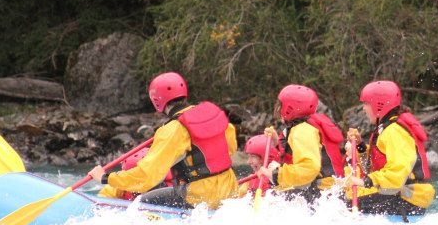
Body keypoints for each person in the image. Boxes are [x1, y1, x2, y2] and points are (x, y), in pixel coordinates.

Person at [89, 72, 239, 209]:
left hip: (201, 197)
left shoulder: (173, 129)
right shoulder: (212, 114)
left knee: (141, 203)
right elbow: (231, 148)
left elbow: (147, 176)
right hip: (230, 189)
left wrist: (106, 178)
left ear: (156, 100)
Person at [345, 80, 436, 220]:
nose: (363, 108)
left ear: (378, 105)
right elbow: (377, 163)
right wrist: (360, 146)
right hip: (399, 193)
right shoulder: (387, 129)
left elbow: (397, 172)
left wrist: (365, 182)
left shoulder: (394, 131)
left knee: (343, 202)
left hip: (407, 198)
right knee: (343, 195)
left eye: (366, 104)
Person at [255, 84, 345, 203]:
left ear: (289, 108)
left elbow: (309, 168)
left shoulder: (302, 131)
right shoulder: (302, 127)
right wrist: (277, 143)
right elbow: (294, 156)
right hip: (326, 190)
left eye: (280, 105)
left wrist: (275, 175)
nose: (277, 109)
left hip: (324, 193)